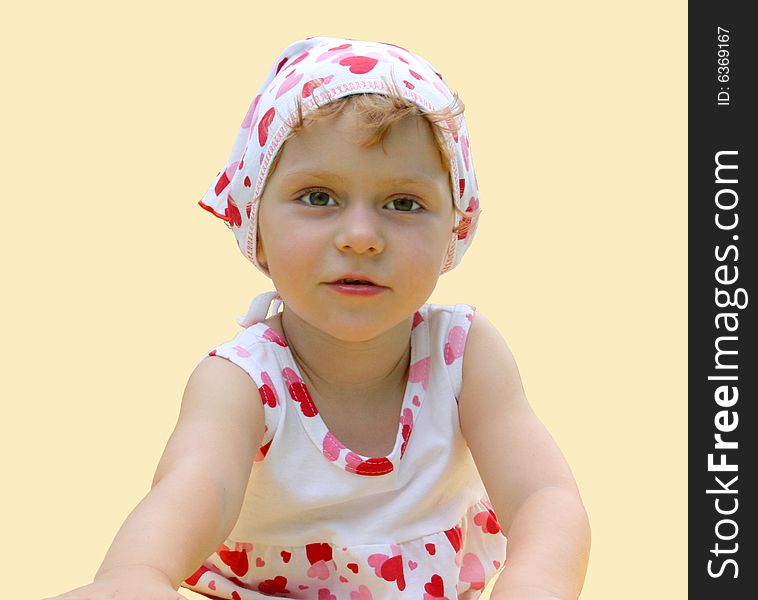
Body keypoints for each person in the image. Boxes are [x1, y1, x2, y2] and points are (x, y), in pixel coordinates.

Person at [45, 37, 590, 600]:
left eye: (403, 203)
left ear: (455, 224)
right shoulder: (242, 382)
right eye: (318, 196)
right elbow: (196, 484)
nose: (360, 237)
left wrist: (535, 583)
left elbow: (543, 498)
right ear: (255, 224)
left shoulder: (464, 355)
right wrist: (136, 576)